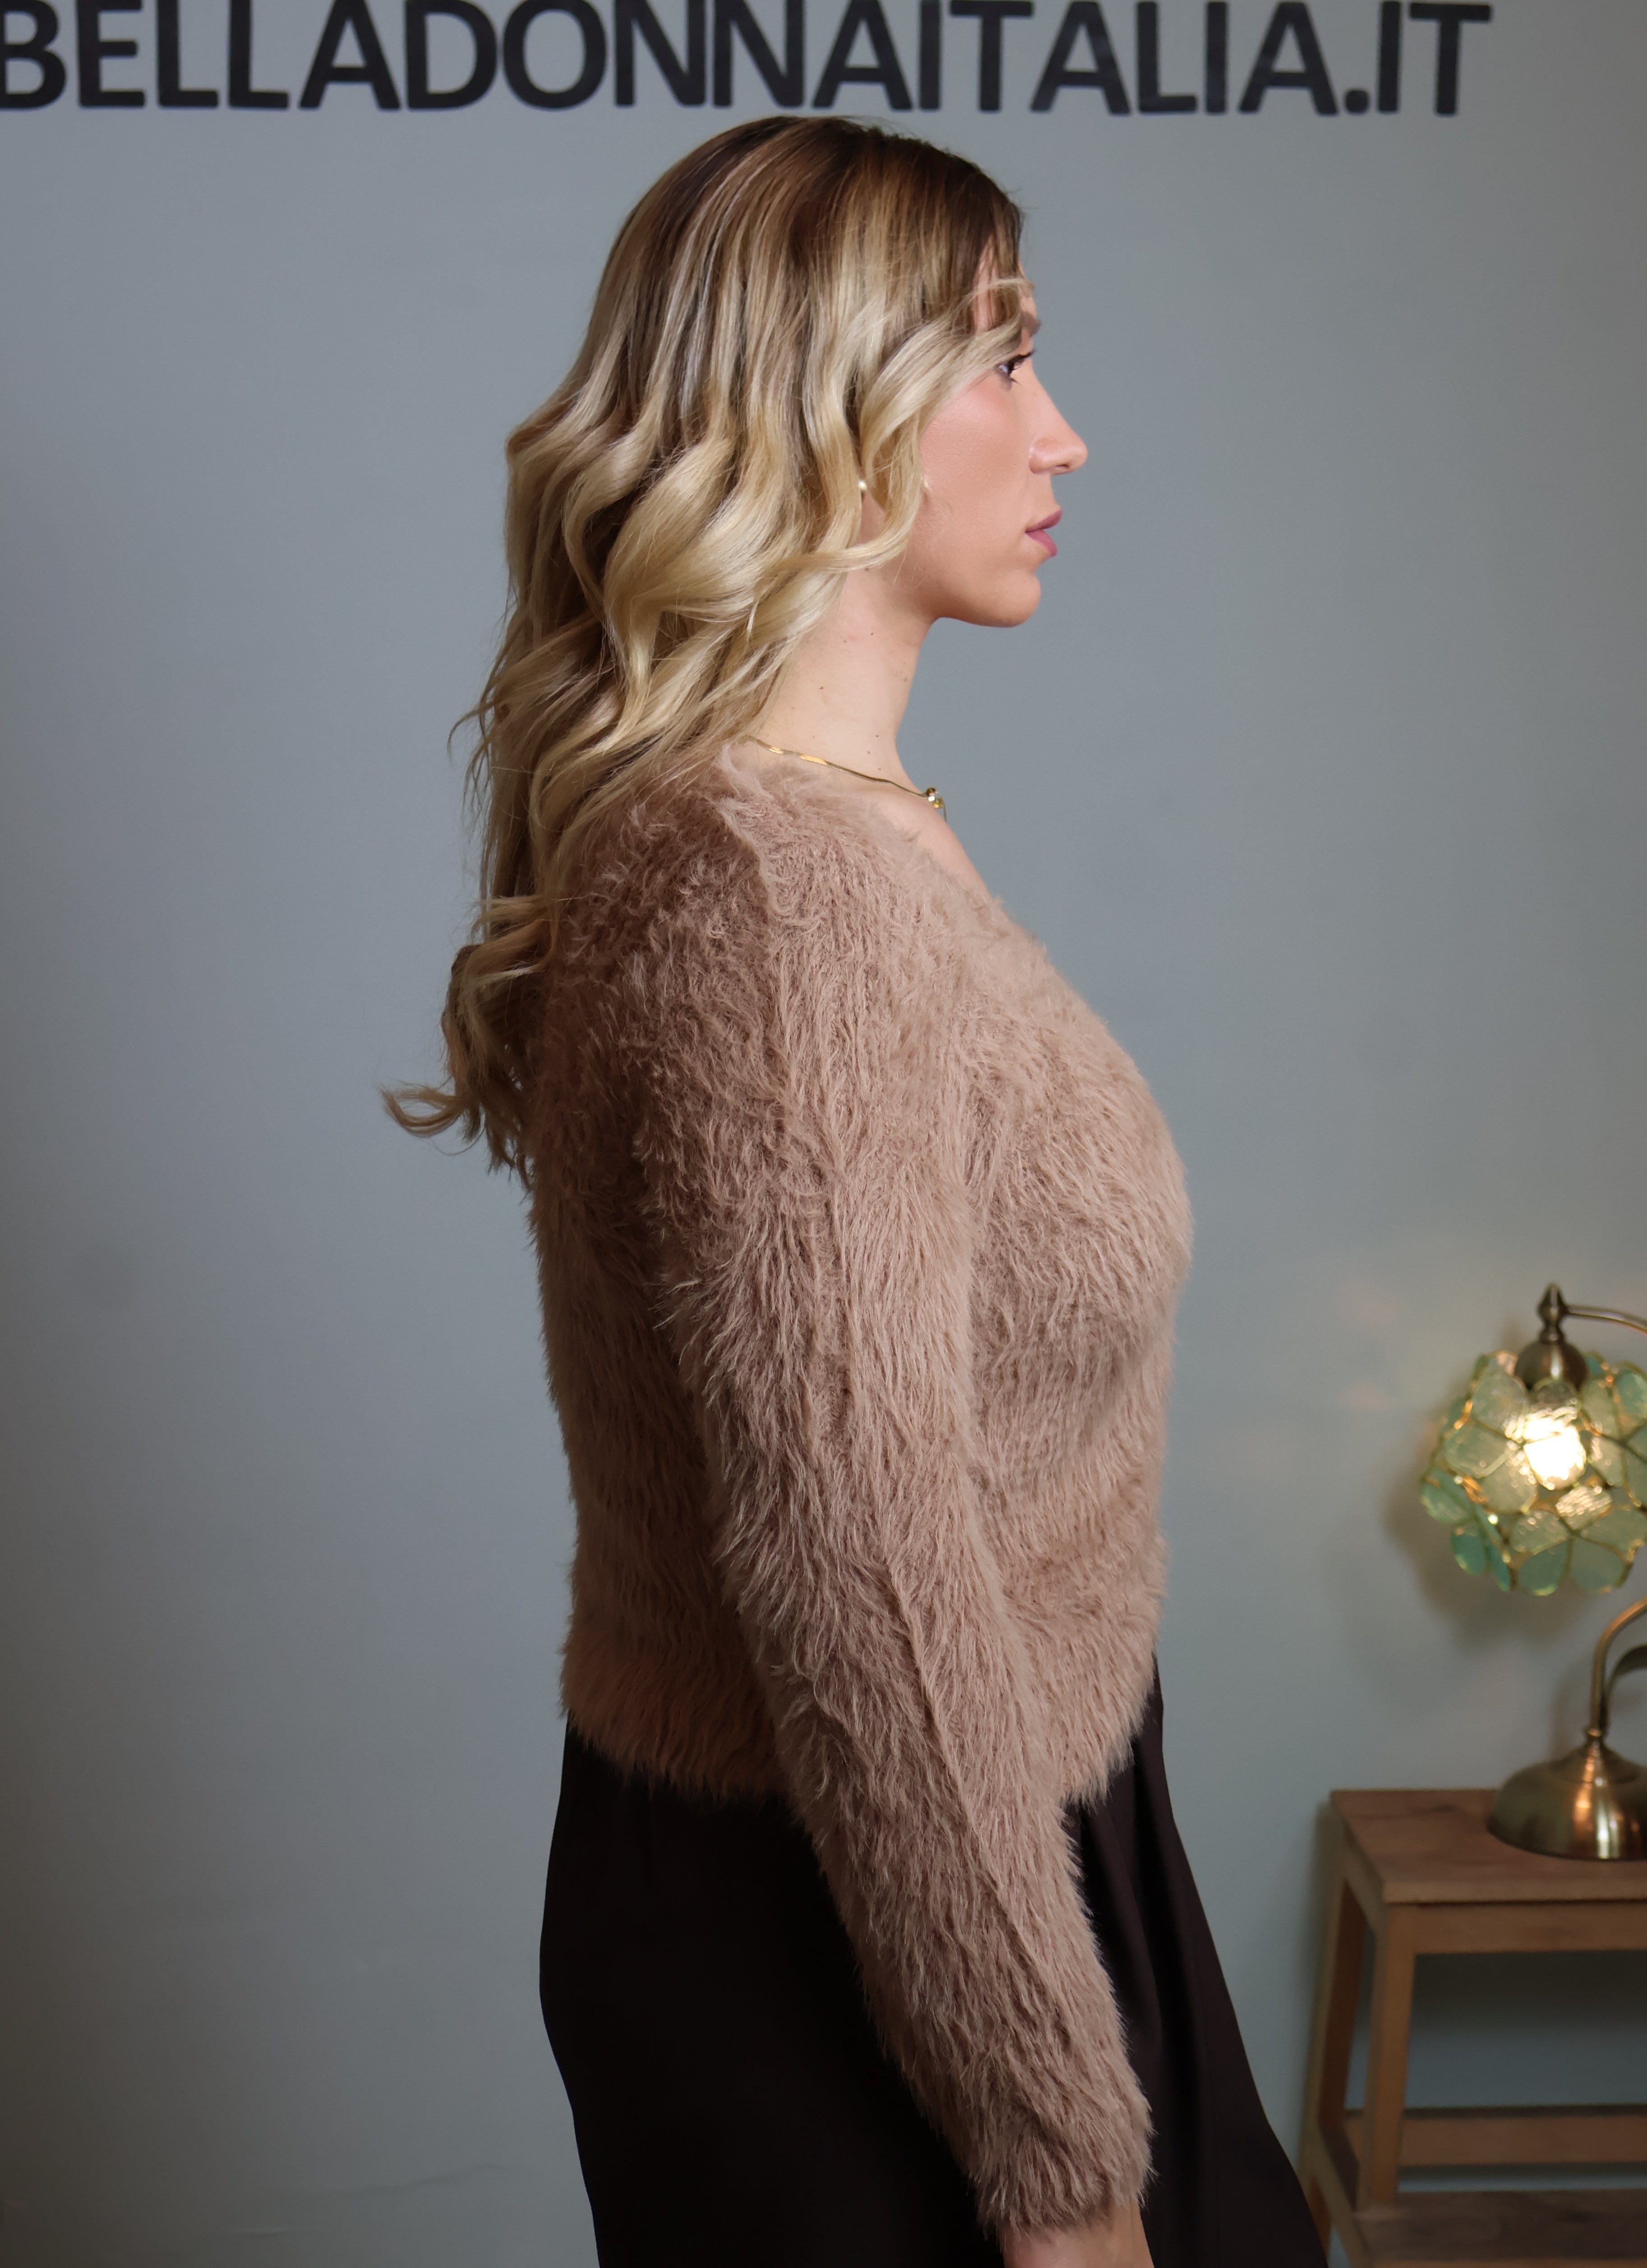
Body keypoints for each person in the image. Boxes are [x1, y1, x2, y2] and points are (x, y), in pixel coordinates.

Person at [395, 116, 1325, 2268]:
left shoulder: (842, 831)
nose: (1061, 432)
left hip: (995, 1853)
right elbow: (865, 1573)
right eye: (1001, 359)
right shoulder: (771, 888)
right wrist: (1057, 2161)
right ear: (821, 401)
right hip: (861, 1914)